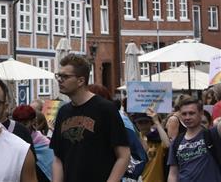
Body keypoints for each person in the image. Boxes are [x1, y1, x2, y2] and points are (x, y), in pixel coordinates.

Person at [51, 53, 130, 182]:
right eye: (58, 76)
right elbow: (58, 158)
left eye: (65, 76)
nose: (60, 80)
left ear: (81, 80)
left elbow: (124, 155)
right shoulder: (63, 112)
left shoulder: (105, 109)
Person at [166, 96, 221, 182]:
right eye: (184, 114)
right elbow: (173, 174)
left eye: (191, 113)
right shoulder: (176, 142)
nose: (187, 117)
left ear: (201, 113)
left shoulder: (213, 134)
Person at [14, 104, 53, 182]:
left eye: (25, 124)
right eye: (18, 124)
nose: (21, 128)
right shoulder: (12, 142)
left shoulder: (45, 144)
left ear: (33, 122)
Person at [131, 108, 170, 182]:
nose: (143, 125)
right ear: (136, 124)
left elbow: (168, 145)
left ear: (151, 123)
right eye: (140, 122)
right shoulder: (134, 142)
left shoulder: (157, 140)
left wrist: (157, 122)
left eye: (146, 122)